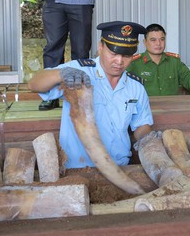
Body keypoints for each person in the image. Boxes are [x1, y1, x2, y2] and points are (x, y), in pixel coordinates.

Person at [28, 21, 153, 169]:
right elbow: (34, 84)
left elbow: (141, 125)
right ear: (101, 47)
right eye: (113, 53)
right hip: (78, 168)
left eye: (126, 56)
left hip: (121, 167)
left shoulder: (136, 87)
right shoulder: (78, 71)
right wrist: (60, 74)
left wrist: (148, 139)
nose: (119, 61)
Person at [127, 24, 190, 97]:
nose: (158, 43)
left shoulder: (174, 62)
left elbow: (187, 76)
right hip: (146, 110)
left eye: (162, 39)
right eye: (153, 40)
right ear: (145, 42)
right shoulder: (134, 64)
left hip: (171, 109)